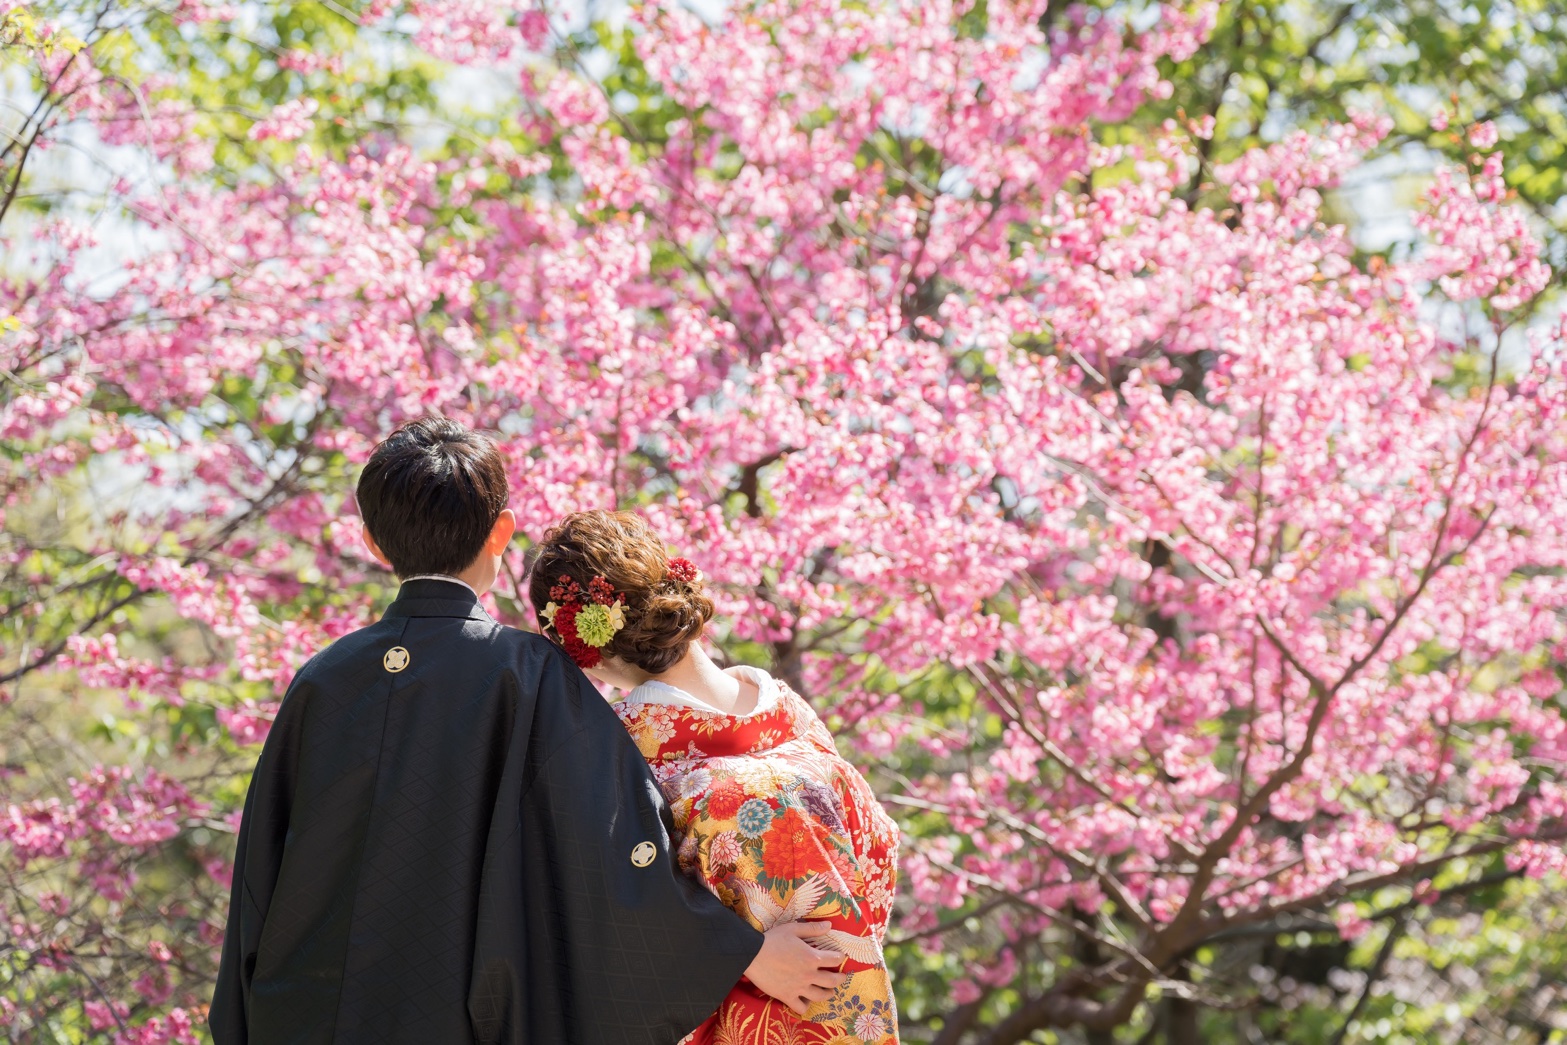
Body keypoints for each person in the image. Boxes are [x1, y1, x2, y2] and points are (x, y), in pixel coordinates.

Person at [209, 418, 846, 1045]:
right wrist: (737, 952)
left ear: (373, 543)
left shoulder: (320, 681)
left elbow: (260, 871)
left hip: (300, 1018)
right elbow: (617, 851)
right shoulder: (527, 672)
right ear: (500, 534)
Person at [529, 510, 902, 1045]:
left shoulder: (619, 746)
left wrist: (745, 952)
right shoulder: (789, 710)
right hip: (852, 1001)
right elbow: (878, 841)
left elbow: (616, 908)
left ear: (579, 640)